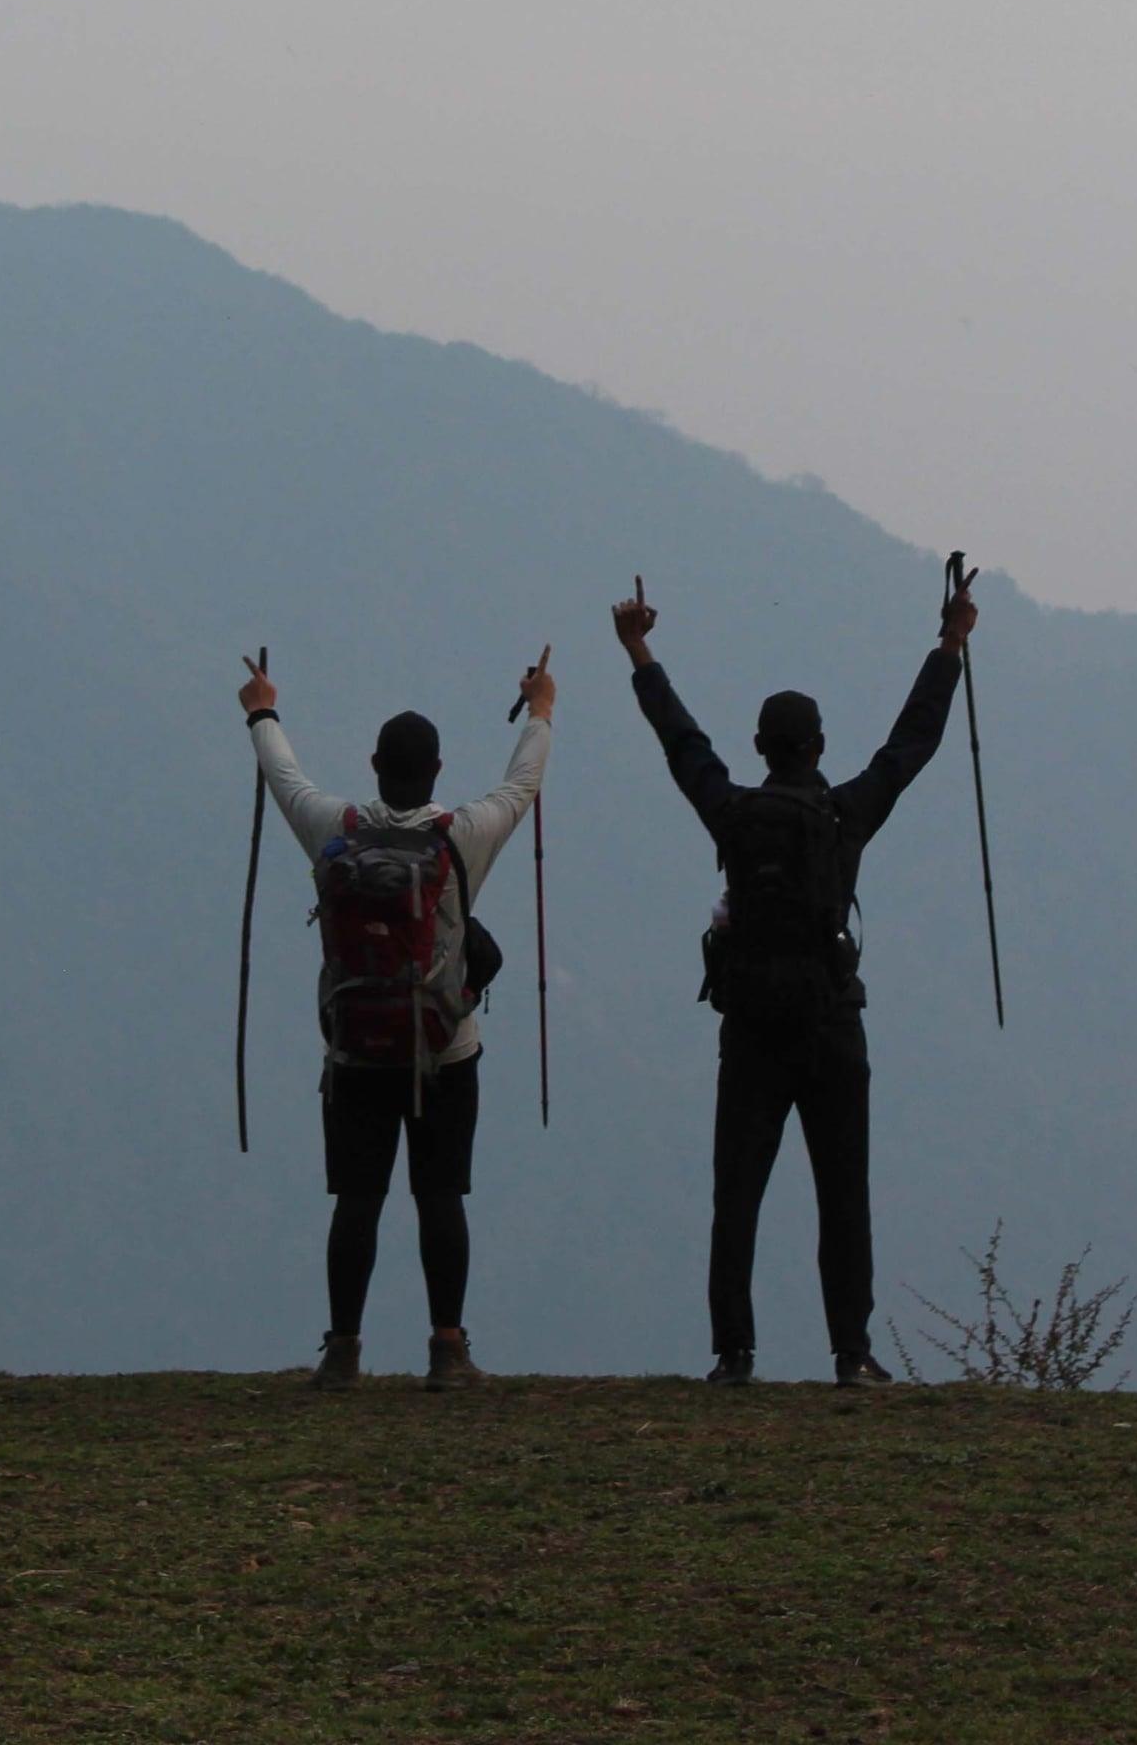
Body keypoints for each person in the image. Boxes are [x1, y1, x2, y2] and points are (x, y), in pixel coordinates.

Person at [613, 574, 974, 1386]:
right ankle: (852, 1353)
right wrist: (950, 644)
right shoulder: (846, 817)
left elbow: (682, 744)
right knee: (842, 1194)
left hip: (749, 1027)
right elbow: (910, 745)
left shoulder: (732, 814)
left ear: (760, 748)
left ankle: (733, 1353)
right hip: (831, 1024)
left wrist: (639, 649)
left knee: (737, 1191)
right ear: (817, 747)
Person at [240, 653, 551, 1390]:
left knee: (358, 1199)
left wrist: (261, 708)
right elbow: (523, 783)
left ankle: (342, 1352)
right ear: (438, 771)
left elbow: (285, 779)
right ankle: (448, 1351)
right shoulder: (463, 834)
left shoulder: (334, 830)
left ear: (375, 764)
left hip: (353, 1051)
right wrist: (541, 708)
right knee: (440, 1196)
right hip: (446, 1048)